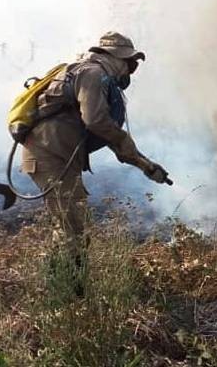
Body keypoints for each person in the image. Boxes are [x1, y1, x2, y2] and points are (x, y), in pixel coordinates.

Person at [20, 31, 170, 270]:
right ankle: (72, 291)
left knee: (71, 227)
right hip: (50, 157)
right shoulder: (93, 73)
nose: (129, 71)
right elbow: (97, 121)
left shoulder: (93, 75)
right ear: (116, 57)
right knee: (74, 229)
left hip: (57, 157)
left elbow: (103, 130)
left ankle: (65, 285)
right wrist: (133, 152)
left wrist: (146, 166)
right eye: (129, 64)